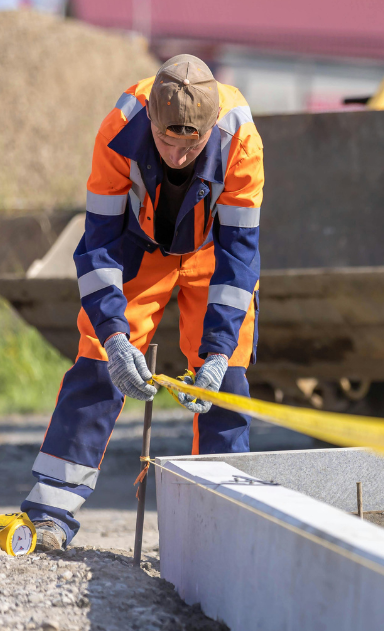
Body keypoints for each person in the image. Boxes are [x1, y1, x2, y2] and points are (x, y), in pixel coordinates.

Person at [23, 55, 263, 551]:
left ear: (211, 127)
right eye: (165, 142)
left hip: (210, 251)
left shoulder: (241, 139)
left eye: (190, 145)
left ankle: (218, 535)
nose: (177, 157)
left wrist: (217, 351)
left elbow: (240, 256)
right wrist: (113, 336)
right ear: (150, 121)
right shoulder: (119, 129)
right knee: (97, 367)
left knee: (228, 383)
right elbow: (98, 245)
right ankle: (51, 513)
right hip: (138, 247)